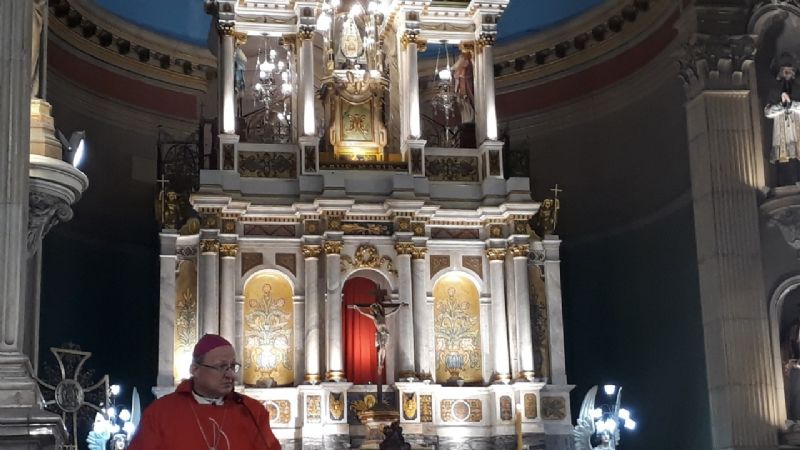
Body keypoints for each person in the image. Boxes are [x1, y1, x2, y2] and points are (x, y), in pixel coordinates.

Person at [128, 334, 281, 450]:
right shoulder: (160, 413)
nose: (231, 375)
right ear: (195, 369)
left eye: (233, 366)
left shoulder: (252, 411)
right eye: (221, 367)